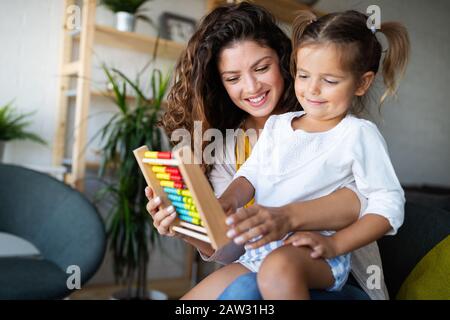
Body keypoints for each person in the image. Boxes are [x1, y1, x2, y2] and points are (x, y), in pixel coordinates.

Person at [145, 2, 386, 300]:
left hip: (333, 271)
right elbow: (231, 247)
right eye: (233, 78)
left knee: (244, 291)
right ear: (219, 84)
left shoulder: (322, 112)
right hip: (258, 263)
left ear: (286, 62)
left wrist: (285, 217)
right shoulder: (227, 146)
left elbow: (360, 202)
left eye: (261, 68)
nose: (251, 87)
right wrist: (188, 227)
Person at [218, 10, 409, 299]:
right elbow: (251, 173)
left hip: (315, 255)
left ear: (362, 83)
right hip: (260, 250)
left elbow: (389, 204)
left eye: (330, 81)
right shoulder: (278, 125)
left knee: (278, 270)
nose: (312, 89)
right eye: (304, 75)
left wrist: (336, 245)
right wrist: (228, 199)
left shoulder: (358, 134)